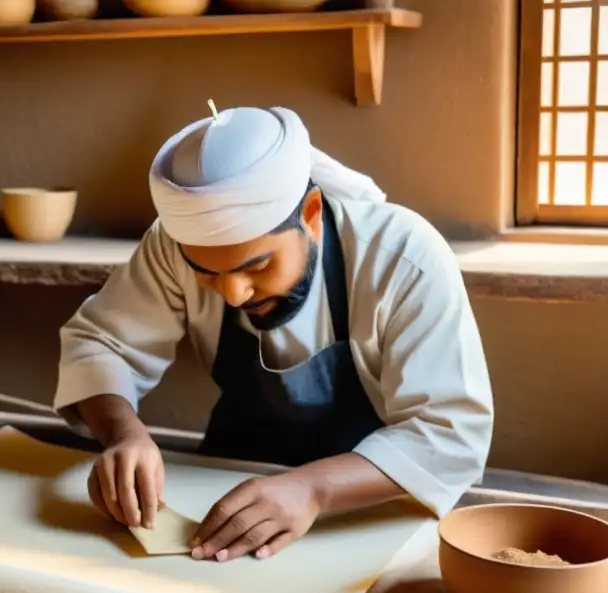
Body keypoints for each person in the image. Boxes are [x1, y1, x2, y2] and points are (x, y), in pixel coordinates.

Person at [53, 104, 494, 563]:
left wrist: (314, 490)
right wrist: (123, 435)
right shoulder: (172, 246)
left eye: (257, 265)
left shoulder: (401, 256)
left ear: (310, 212)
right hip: (226, 475)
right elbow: (103, 343)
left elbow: (450, 432)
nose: (235, 293)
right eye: (205, 272)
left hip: (366, 499)